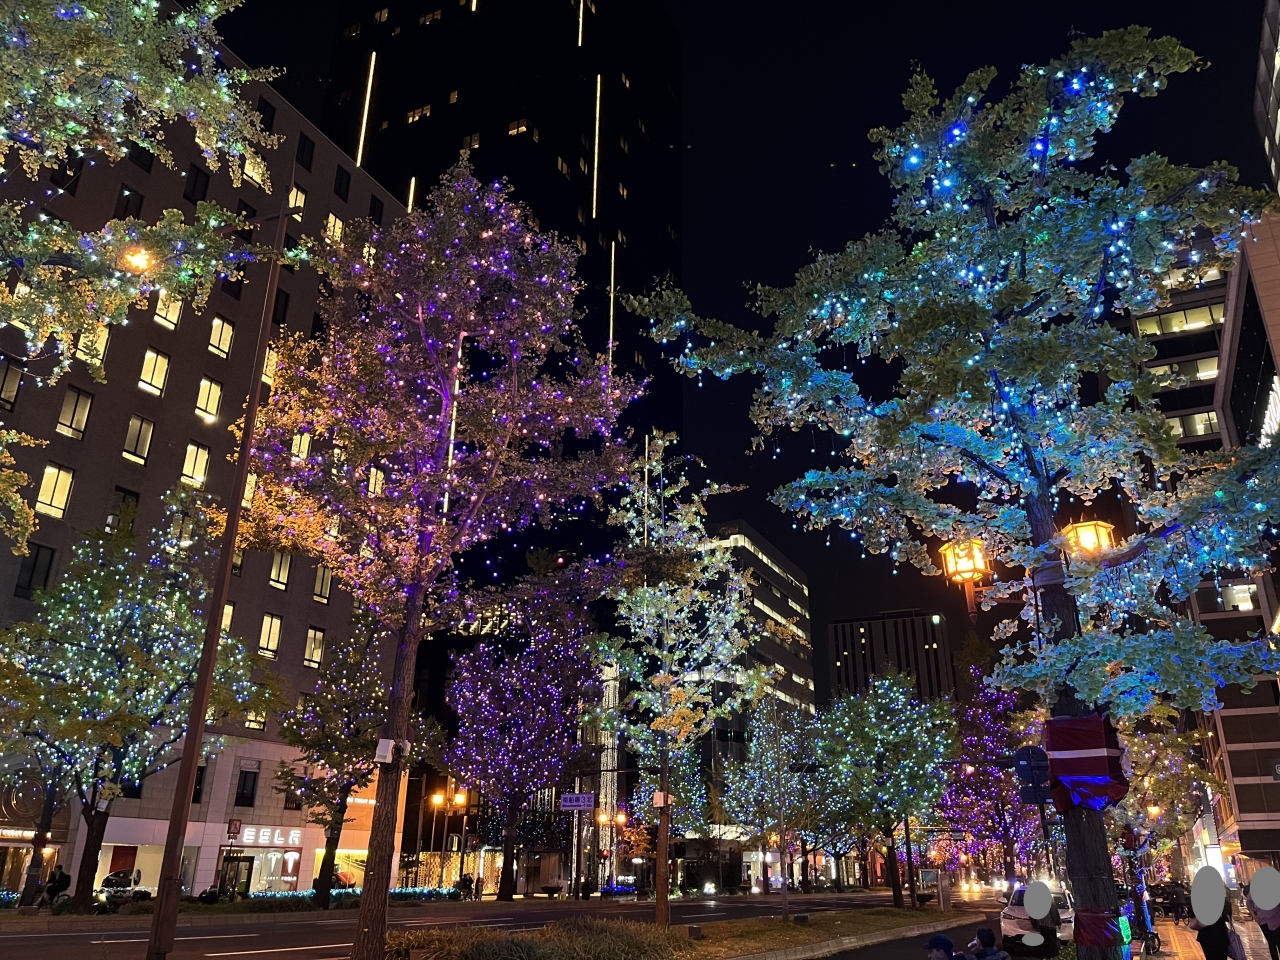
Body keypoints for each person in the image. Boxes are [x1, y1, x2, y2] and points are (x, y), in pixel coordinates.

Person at [1247, 883, 1280, 960]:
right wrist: (1254, 916)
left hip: (1276, 919)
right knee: (1271, 942)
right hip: (1263, 921)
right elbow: (1249, 902)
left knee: (1279, 941)